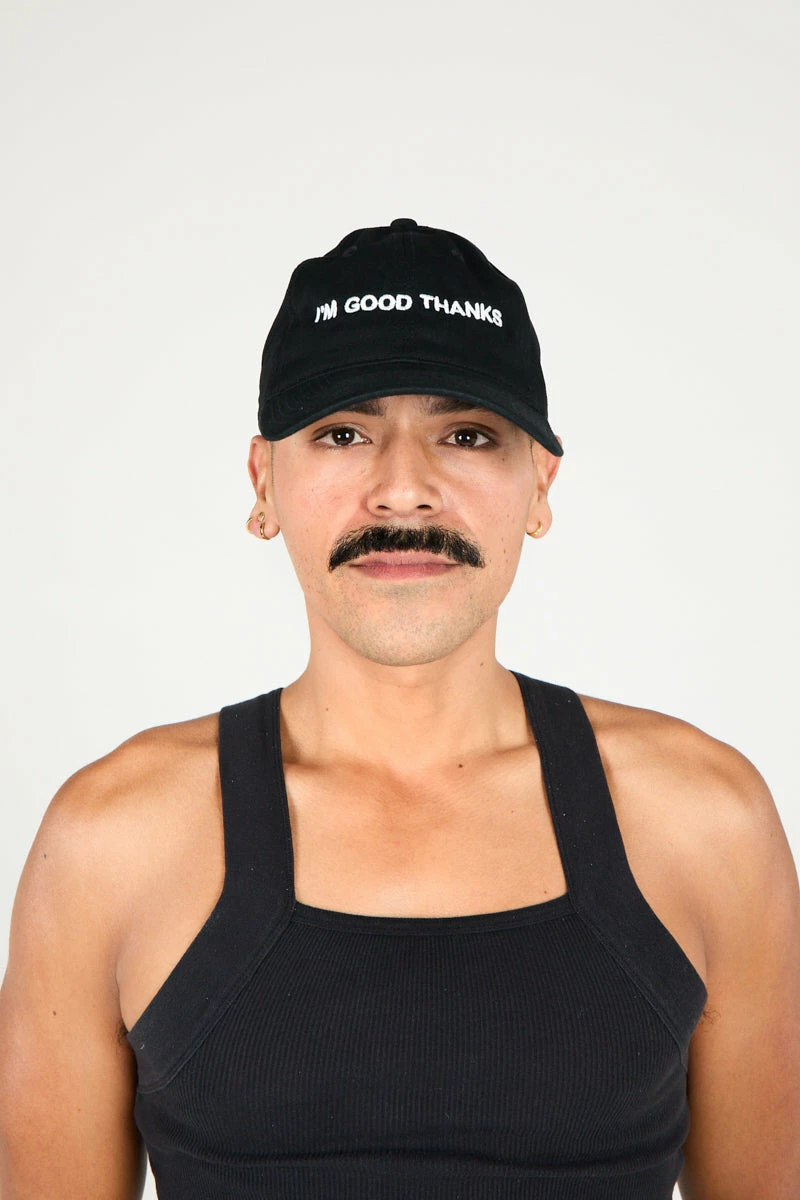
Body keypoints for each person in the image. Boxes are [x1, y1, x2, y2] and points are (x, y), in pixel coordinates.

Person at [0, 218, 798, 1200]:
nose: (404, 489)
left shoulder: (704, 825)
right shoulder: (111, 843)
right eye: (343, 432)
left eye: (466, 435)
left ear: (539, 485)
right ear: (263, 482)